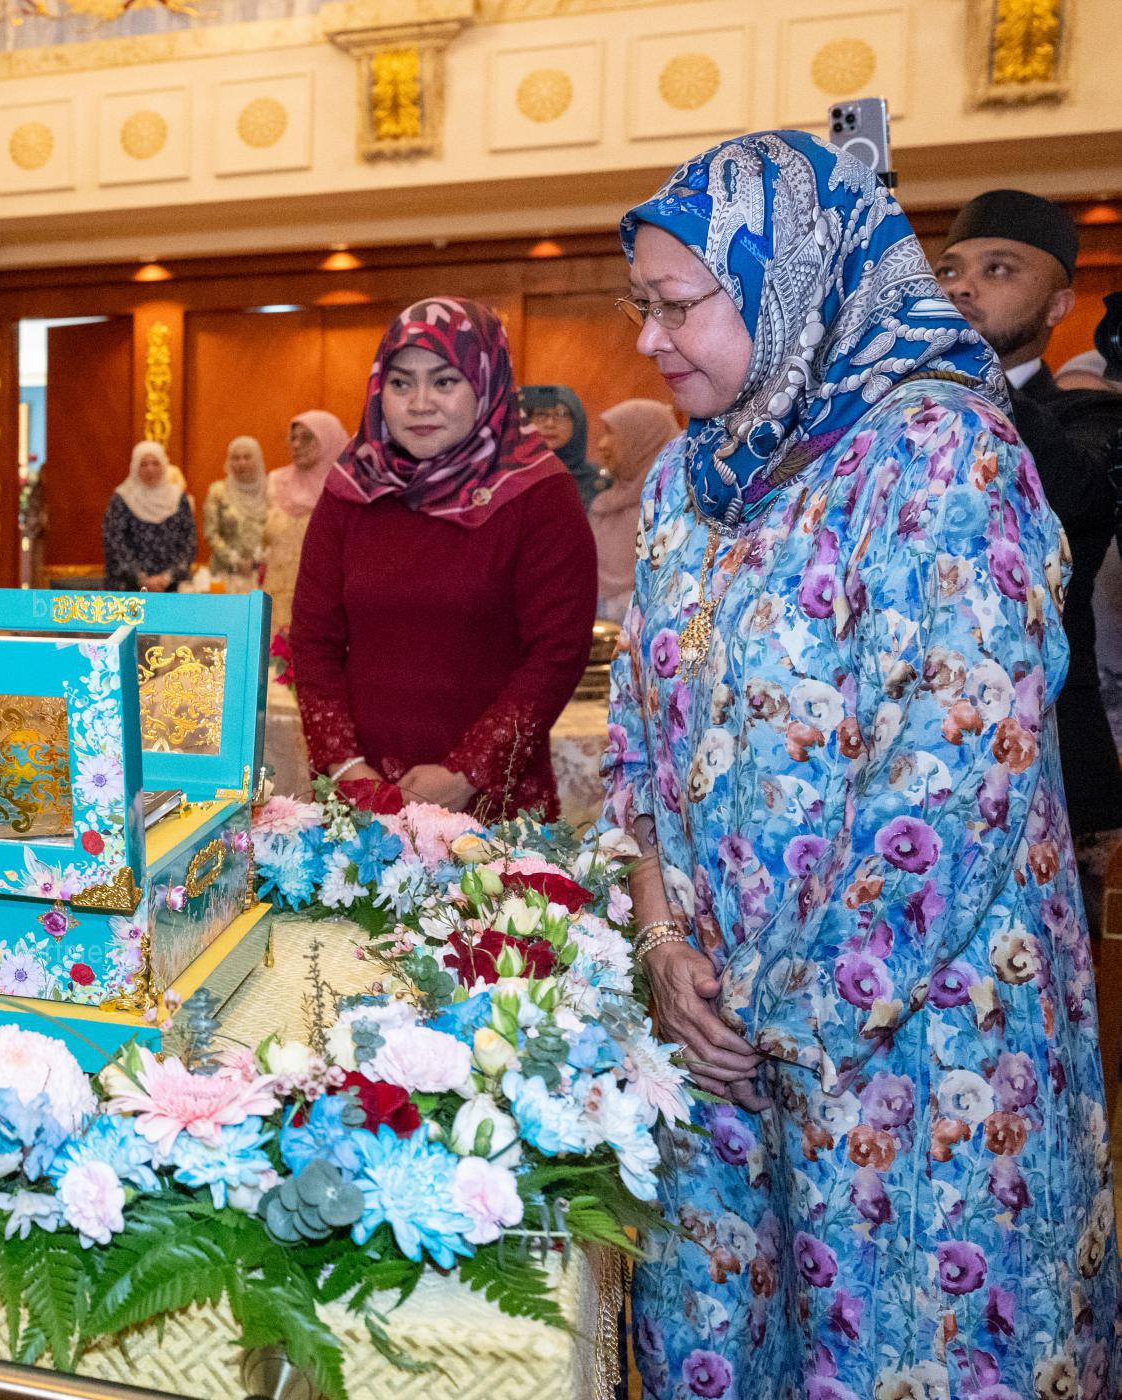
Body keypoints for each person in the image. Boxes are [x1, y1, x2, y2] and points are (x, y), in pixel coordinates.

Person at [607, 131, 1117, 1400]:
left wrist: (781, 1010)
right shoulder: (684, 481)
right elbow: (636, 737)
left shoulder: (943, 455)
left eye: (679, 304)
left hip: (917, 1043)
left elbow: (962, 768)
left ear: (788, 287)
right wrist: (663, 945)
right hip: (710, 1035)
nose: (650, 340)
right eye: (641, 305)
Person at [291, 298, 595, 818]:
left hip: (490, 807)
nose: (419, 403)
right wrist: (346, 768)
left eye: (445, 381)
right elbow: (313, 640)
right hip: (360, 800)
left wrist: (467, 772)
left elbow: (556, 654)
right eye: (400, 383)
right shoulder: (353, 488)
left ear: (486, 384)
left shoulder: (538, 493)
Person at [937, 190, 1122, 850]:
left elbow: (1068, 491)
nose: (962, 287)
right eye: (949, 270)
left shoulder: (1088, 416)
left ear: (1058, 306)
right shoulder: (900, 416)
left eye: (998, 269)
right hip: (927, 771)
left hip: (1052, 767)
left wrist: (968, 369)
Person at [586, 398, 678, 621]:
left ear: (643, 441)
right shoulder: (604, 505)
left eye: (612, 434)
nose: (602, 445)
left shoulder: (671, 512)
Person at [263, 410, 345, 641]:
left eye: (307, 438)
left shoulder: (341, 488)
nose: (297, 445)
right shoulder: (275, 482)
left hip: (321, 600)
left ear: (328, 440)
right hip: (274, 601)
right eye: (293, 438)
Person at [103, 439, 195, 592]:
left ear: (164, 465)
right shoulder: (121, 498)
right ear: (134, 466)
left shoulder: (178, 498)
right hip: (128, 588)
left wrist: (166, 578)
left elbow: (189, 542)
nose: (150, 469)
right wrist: (142, 579)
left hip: (171, 587)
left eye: (155, 463)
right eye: (144, 464)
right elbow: (114, 544)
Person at [202, 434, 268, 592]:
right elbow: (211, 533)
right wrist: (235, 560)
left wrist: (257, 560)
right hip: (224, 574)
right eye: (235, 458)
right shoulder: (218, 492)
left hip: (263, 574)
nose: (241, 463)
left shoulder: (271, 491)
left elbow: (274, 531)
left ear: (258, 459)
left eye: (247, 457)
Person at [519, 384, 603, 506]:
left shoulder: (599, 483)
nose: (550, 423)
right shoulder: (510, 480)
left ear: (578, 421)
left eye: (561, 414)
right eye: (540, 414)